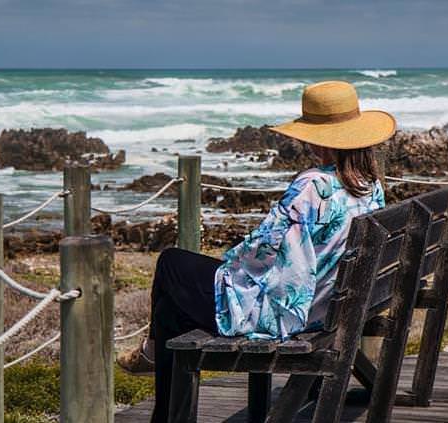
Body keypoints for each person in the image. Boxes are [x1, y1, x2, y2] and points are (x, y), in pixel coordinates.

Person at [118, 80, 395, 422]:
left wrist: (230, 262)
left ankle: (153, 358)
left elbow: (264, 250)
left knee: (171, 263)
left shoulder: (312, 186)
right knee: (168, 312)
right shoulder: (370, 185)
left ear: (314, 138)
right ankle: (158, 377)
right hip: (333, 305)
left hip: (293, 312)